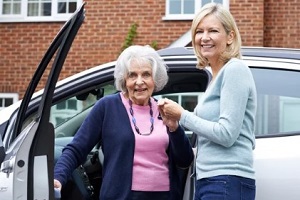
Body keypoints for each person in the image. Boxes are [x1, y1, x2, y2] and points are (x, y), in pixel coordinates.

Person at [54, 45, 194, 200]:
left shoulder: (165, 109)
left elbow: (185, 160)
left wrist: (174, 129)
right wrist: (58, 177)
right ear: (124, 80)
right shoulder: (107, 107)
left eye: (146, 74)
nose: (139, 82)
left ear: (155, 79)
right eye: (132, 75)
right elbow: (77, 149)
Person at [158, 3, 257, 200]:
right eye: (199, 31)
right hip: (210, 180)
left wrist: (183, 115)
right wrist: (175, 123)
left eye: (213, 31)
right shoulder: (215, 77)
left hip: (226, 180)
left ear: (230, 37)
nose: (204, 38)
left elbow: (227, 134)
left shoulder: (235, 70)